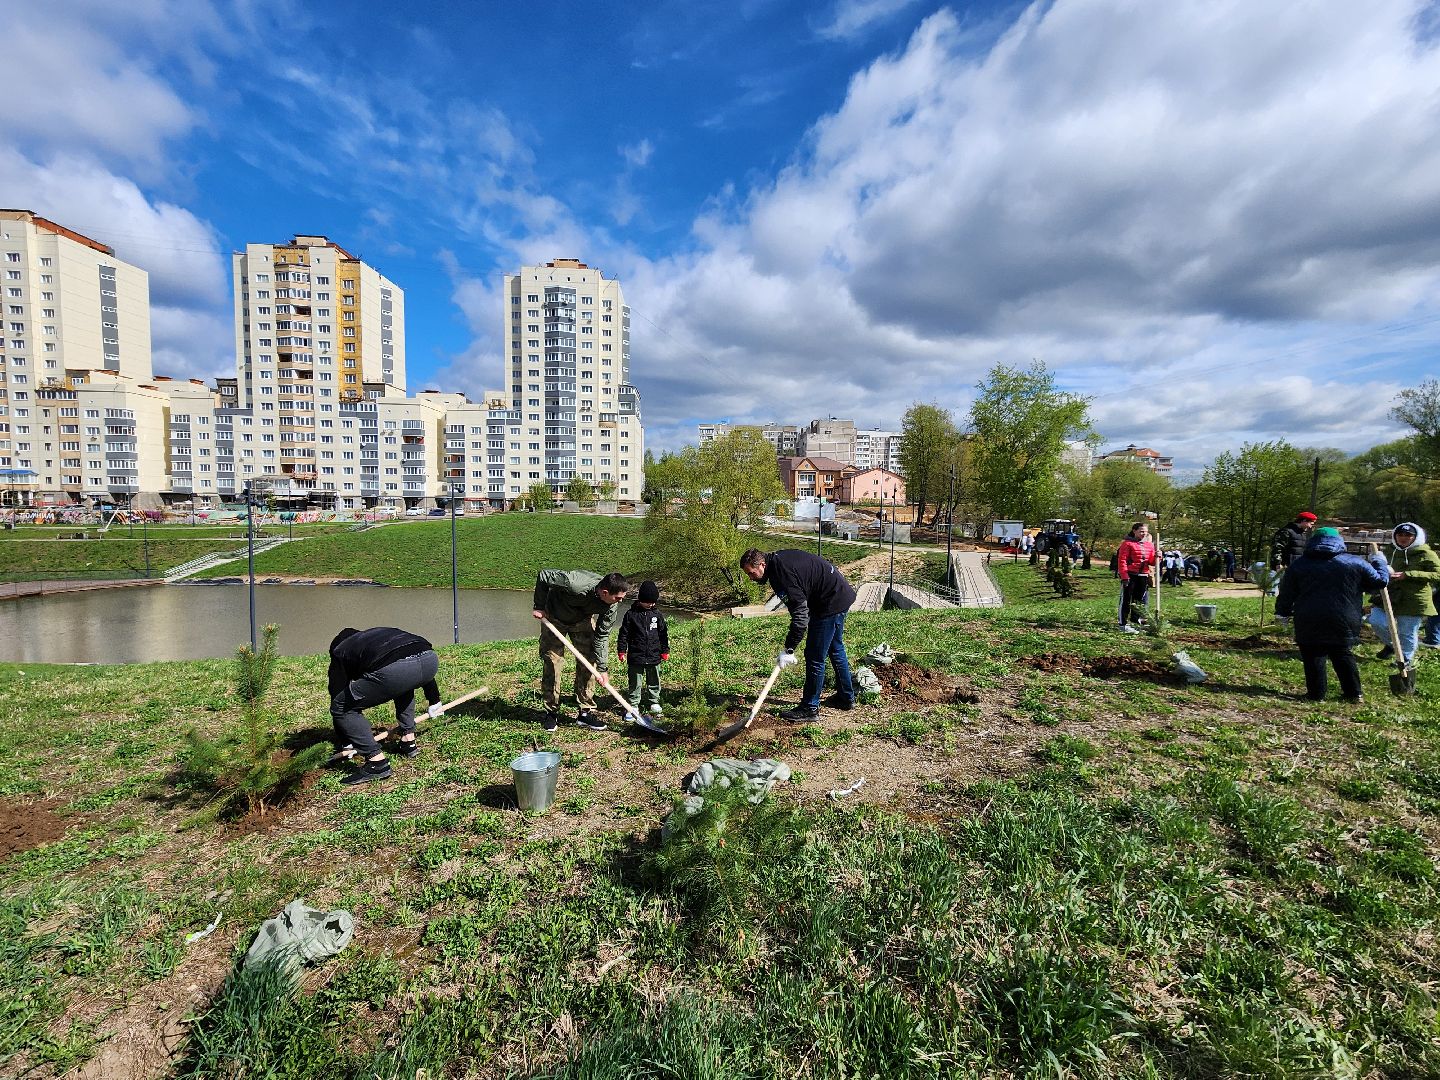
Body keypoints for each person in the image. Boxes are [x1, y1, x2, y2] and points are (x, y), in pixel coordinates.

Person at [740, 548, 857, 721]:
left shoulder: (781, 575)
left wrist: (789, 649)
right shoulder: (777, 561)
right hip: (838, 593)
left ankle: (810, 708)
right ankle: (846, 697)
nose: (751, 578)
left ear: (762, 565)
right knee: (835, 647)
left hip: (830, 602)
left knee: (815, 656)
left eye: (752, 573)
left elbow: (801, 616)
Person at [1275, 528, 1389, 703]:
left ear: (1313, 541)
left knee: (1313, 653)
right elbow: (1380, 582)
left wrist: (1282, 612)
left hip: (1309, 615)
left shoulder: (1300, 564)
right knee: (1342, 652)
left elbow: (1287, 592)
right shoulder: (1356, 562)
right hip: (1344, 616)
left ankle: (1316, 694)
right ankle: (1354, 693)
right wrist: (1379, 562)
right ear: (1340, 541)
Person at [327, 627, 443, 786]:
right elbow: (414, 660)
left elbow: (337, 696)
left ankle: (376, 763)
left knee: (340, 707)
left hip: (400, 669)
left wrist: (347, 741)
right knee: (404, 683)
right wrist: (434, 700)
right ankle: (408, 741)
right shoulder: (374, 638)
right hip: (430, 659)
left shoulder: (340, 650)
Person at [533, 569, 628, 732]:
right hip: (554, 618)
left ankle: (585, 713)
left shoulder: (611, 606)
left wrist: (603, 668)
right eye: (617, 598)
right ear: (605, 592)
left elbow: (602, 635)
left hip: (582, 621)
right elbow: (544, 576)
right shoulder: (574, 584)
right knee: (553, 663)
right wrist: (539, 606)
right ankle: (551, 712)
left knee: (589, 663)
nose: (620, 602)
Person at [1373, 523, 1440, 667]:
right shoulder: (1390, 551)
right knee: (1376, 621)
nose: (1403, 538)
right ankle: (1392, 646)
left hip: (1414, 599)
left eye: (1408, 535)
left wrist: (1409, 575)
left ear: (1416, 537)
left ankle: (1405, 660)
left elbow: (1438, 574)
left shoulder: (1426, 554)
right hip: (1390, 595)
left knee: (1406, 631)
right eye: (1400, 535)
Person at [617, 579, 669, 718]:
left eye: (653, 602)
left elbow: (663, 633)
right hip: (636, 656)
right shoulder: (631, 615)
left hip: (654, 655)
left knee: (654, 679)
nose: (651, 604)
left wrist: (665, 650)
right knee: (635, 682)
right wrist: (622, 650)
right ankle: (633, 705)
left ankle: (654, 701)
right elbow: (624, 634)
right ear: (640, 599)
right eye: (648, 602)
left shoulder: (657, 615)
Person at [1116, 522, 1156, 633]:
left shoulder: (1150, 545)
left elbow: (1152, 562)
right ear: (1134, 531)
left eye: (1146, 532)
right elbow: (1122, 561)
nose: (1144, 534)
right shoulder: (1127, 544)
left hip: (1143, 575)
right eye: (1141, 531)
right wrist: (1124, 576)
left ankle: (1135, 622)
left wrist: (1158, 557)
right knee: (1126, 600)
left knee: (1139, 601)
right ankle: (1122, 624)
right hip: (1130, 575)